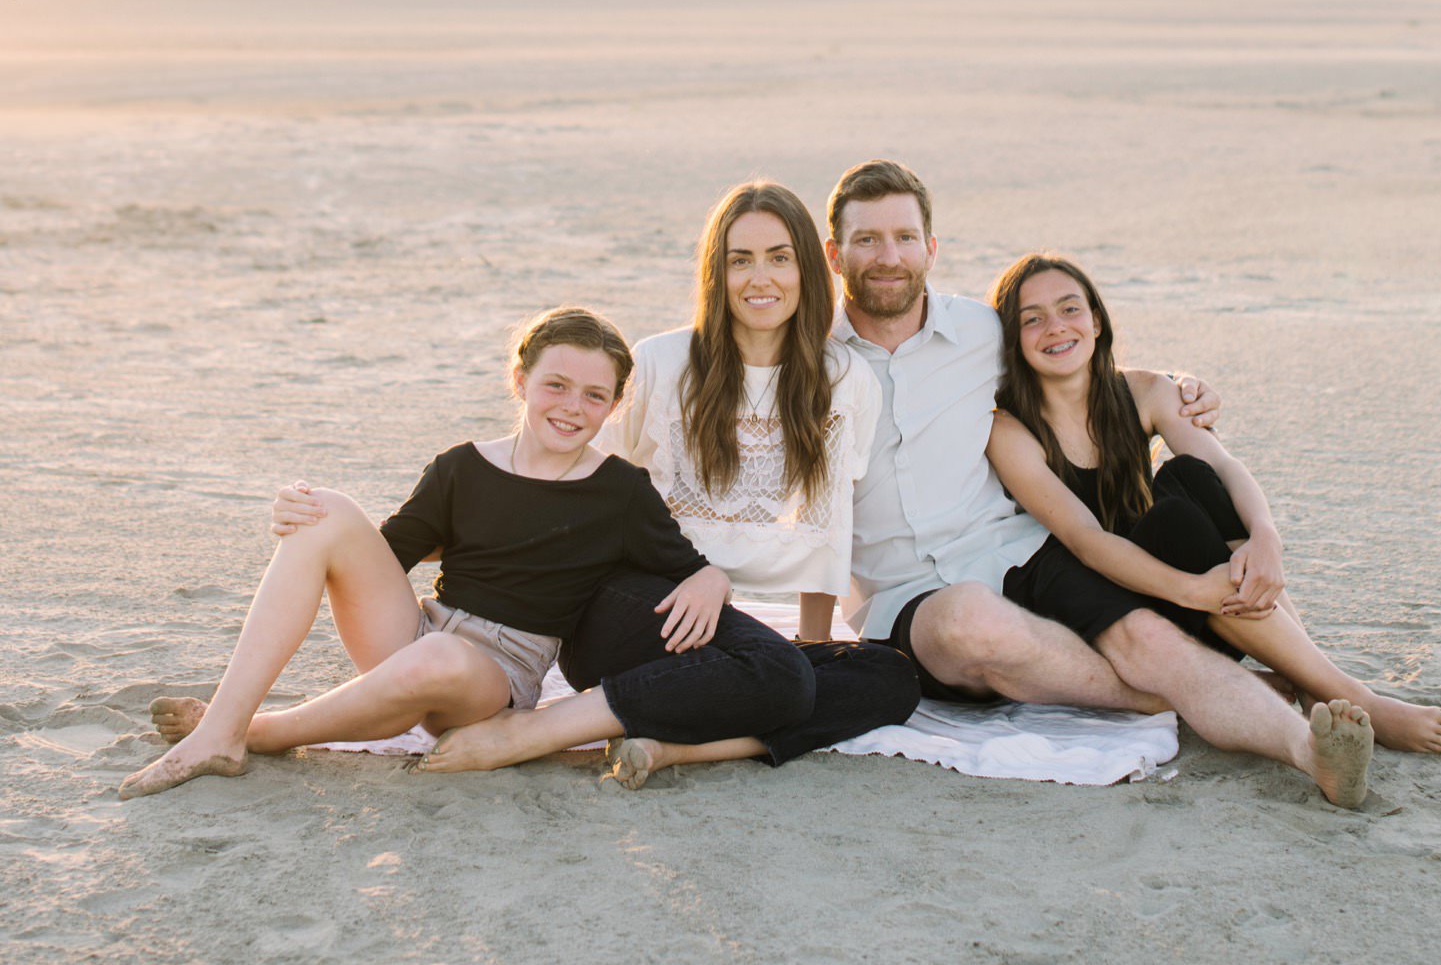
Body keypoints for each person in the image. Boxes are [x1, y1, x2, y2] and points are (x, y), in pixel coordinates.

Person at [824, 161, 1376, 807]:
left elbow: (1066, 350)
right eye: (867, 239)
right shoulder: (808, 363)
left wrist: (1180, 386)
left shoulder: (979, 332)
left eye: (905, 237)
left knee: (1148, 636)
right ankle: (1188, 692)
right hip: (904, 600)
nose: (889, 256)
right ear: (835, 254)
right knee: (969, 620)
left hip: (1020, 553)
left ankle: (1310, 752)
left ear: (931, 248)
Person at [120, 307, 814, 800]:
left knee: (444, 657)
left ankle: (256, 732)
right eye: (556, 385)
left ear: (614, 405)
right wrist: (302, 519)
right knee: (327, 507)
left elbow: (682, 562)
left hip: (494, 677)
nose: (572, 406)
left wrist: (712, 577)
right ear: (520, 380)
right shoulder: (462, 466)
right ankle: (221, 727)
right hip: (419, 631)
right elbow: (386, 554)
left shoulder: (619, 490)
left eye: (594, 395)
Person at [419, 181, 921, 785]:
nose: (760, 278)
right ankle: (532, 732)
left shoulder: (845, 379)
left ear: (807, 269)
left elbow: (829, 526)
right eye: (740, 260)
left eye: (779, 258)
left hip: (738, 639)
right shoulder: (662, 363)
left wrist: (812, 645)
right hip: (631, 607)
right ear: (717, 272)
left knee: (889, 678)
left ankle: (670, 748)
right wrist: (700, 579)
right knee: (779, 678)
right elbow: (580, 486)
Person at [987, 251, 1441, 762]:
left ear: (1097, 320)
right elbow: (1088, 540)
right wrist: (1192, 591)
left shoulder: (1146, 391)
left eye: (1069, 309)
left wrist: (1266, 537)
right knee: (1168, 517)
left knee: (1188, 476)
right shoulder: (1010, 430)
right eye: (1031, 319)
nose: (1055, 328)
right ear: (1012, 339)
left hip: (1219, 601)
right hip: (1117, 607)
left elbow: (1226, 466)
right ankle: (1351, 693)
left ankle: (1312, 682)